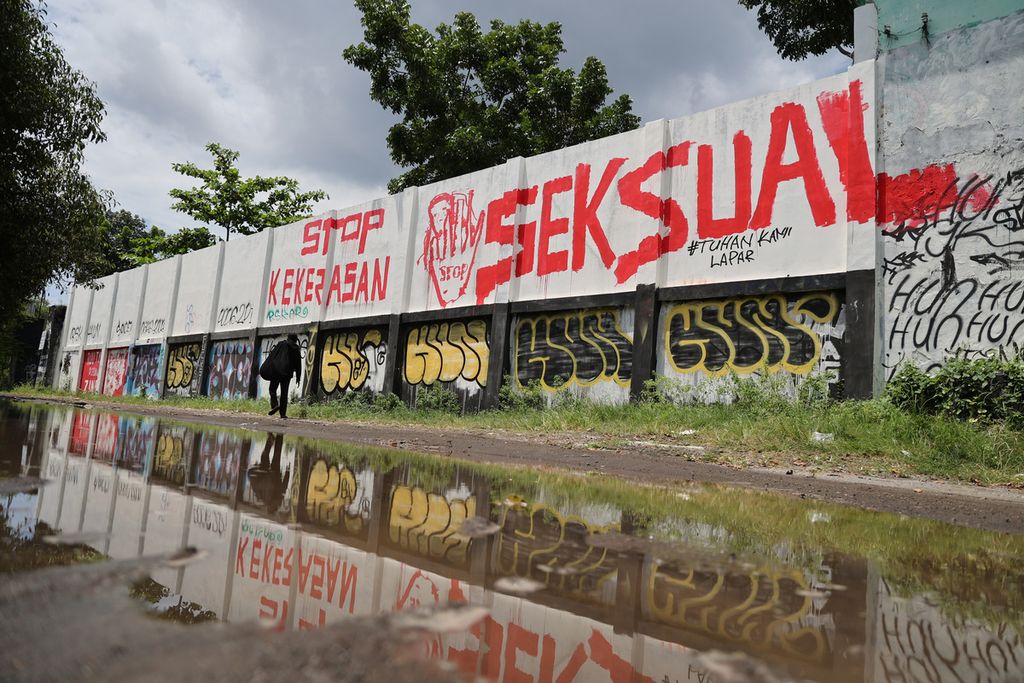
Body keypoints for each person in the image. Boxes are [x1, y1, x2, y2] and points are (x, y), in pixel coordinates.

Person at [260, 334, 302, 418]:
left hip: (276, 371)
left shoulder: (281, 344)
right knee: (284, 393)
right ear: (295, 340)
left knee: (272, 389)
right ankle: (283, 414)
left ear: (288, 338)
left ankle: (275, 405)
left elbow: (272, 356)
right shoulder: (296, 349)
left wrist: (268, 367)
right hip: (287, 374)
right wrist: (298, 377)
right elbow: (298, 364)